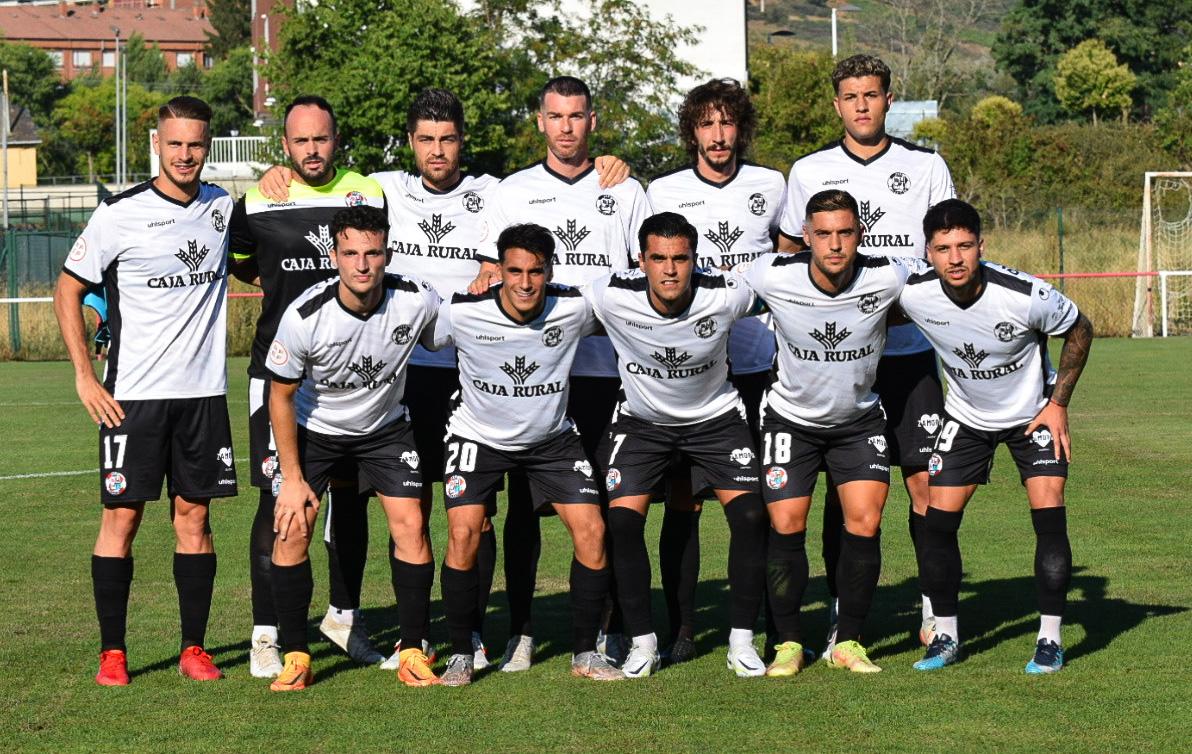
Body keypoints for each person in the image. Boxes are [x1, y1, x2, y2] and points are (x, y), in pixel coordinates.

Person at [258, 88, 630, 671]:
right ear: (409, 143)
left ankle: (472, 632)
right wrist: (281, 173)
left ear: (462, 142)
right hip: (393, 372)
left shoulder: (494, 192)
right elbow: (322, 179)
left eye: (448, 139)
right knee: (363, 504)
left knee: (467, 511)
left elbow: (529, 241)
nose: (437, 150)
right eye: (426, 139)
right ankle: (345, 616)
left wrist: (610, 162)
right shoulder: (382, 189)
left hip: (465, 366)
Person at [54, 96, 237, 686]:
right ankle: (113, 651)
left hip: (203, 396)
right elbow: (67, 289)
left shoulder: (223, 207)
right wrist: (85, 375)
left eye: (197, 144)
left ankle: (194, 648)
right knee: (122, 519)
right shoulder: (119, 214)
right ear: (156, 144)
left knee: (195, 518)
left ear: (207, 146)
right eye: (176, 144)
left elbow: (265, 247)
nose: (186, 155)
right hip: (132, 396)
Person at [777, 54, 956, 654]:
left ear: (887, 100)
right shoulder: (807, 171)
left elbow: (944, 253)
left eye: (872, 94)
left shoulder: (926, 166)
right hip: (835, 359)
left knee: (926, 483)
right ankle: (839, 611)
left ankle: (935, 610)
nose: (861, 105)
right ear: (837, 104)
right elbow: (785, 256)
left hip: (906, 354)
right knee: (838, 487)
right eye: (850, 95)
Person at [472, 75, 652, 670]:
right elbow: (489, 276)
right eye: (556, 116)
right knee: (525, 512)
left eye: (577, 116)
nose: (567, 127)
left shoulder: (625, 190)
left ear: (592, 121)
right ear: (540, 122)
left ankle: (608, 628)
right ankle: (520, 631)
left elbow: (641, 278)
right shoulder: (513, 191)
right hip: (537, 375)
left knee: (608, 508)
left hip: (607, 373)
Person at [897, 199, 1093, 673]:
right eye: (943, 248)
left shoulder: (1023, 295)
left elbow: (1081, 329)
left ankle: (1049, 639)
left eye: (965, 245)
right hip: (965, 419)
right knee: (938, 526)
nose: (956, 258)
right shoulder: (914, 293)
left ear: (982, 245)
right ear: (928, 252)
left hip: (1032, 418)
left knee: (1049, 517)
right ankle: (945, 636)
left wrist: (1058, 403)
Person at [228, 95, 387, 677]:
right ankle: (266, 633)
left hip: (355, 381)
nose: (312, 150)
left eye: (321, 139)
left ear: (336, 139)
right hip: (279, 377)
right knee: (279, 502)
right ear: (284, 146)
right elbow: (242, 262)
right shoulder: (258, 198)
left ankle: (344, 618)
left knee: (352, 500)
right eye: (300, 141)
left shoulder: (368, 191)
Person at [427, 223, 624, 685]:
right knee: (463, 532)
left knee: (593, 530)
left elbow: (630, 304)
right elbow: (417, 338)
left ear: (550, 270)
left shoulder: (573, 307)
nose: (525, 283)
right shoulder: (462, 311)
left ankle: (585, 653)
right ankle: (461, 651)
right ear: (498, 271)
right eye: (514, 271)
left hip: (552, 439)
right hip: (478, 436)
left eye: (536, 271)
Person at [745, 189, 926, 675]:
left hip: (858, 422)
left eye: (845, 233)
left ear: (859, 234)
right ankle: (787, 643)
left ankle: (848, 641)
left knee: (865, 524)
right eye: (823, 234)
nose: (835, 245)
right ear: (805, 237)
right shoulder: (771, 273)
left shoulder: (888, 274)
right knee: (787, 526)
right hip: (789, 420)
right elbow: (712, 299)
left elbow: (945, 291)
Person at [264, 205, 442, 690]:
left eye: (372, 253)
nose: (362, 265)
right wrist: (292, 478)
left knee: (411, 524)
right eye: (350, 254)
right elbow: (278, 395)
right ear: (335, 255)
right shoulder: (304, 316)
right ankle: (296, 655)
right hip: (315, 429)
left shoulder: (417, 300)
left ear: (387, 254)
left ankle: (412, 651)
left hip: (385, 429)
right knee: (292, 529)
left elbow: (449, 337)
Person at [585, 212, 769, 678]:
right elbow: (546, 298)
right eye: (659, 259)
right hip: (642, 424)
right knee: (623, 523)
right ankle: (643, 643)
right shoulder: (610, 294)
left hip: (715, 420)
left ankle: (742, 642)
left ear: (695, 260)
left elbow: (792, 291)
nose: (670, 270)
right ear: (641, 261)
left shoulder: (727, 295)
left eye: (681, 259)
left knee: (750, 516)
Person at [645, 78, 785, 661]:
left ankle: (767, 627)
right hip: (692, 373)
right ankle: (681, 628)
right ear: (692, 131)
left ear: (742, 127)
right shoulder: (663, 190)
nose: (719, 134)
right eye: (707, 123)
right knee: (685, 502)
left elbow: (792, 262)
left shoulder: (771, 185)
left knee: (764, 503)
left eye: (728, 123)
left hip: (759, 368)